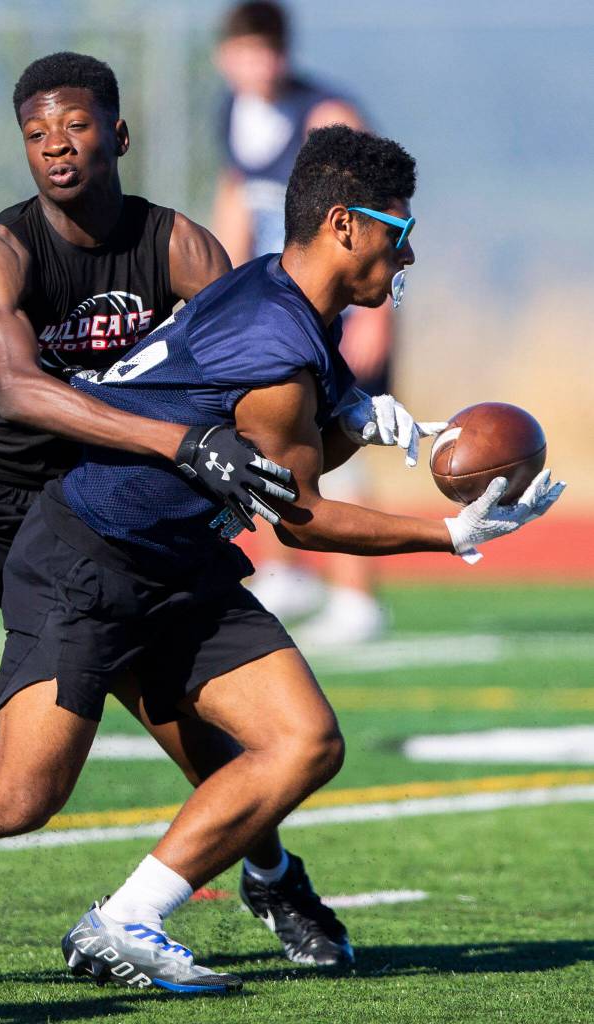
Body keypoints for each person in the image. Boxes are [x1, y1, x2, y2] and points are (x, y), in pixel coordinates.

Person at [0, 126, 563, 996]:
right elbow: (300, 519)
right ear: (345, 227)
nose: (408, 249)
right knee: (20, 795)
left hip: (176, 562)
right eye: (397, 230)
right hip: (88, 561)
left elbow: (276, 458)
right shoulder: (281, 347)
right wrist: (449, 534)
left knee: (303, 741)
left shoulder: (274, 293)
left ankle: (127, 919)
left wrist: (348, 415)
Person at [0, 50, 344, 989]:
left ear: (119, 135)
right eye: (37, 134)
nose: (56, 147)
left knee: (179, 708)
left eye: (77, 127)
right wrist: (178, 446)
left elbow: (238, 371)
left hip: (93, 509)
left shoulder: (177, 246)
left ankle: (269, 870)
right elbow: (16, 390)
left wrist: (327, 425)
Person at [213, 0, 396, 641]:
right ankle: (284, 570)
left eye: (268, 50)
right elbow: (237, 198)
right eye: (244, 51)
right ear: (224, 56)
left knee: (342, 441)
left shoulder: (326, 115)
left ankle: (358, 597)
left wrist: (379, 316)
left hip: (339, 305)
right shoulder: (232, 113)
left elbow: (382, 221)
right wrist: (222, 293)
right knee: (264, 429)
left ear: (285, 54)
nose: (256, 64)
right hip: (278, 305)